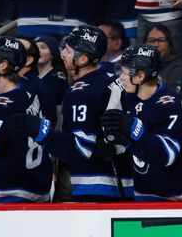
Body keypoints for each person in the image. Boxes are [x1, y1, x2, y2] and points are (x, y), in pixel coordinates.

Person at [9, 26, 130, 201]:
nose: (62, 54)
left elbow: (81, 148)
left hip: (97, 185)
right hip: (129, 181)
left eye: (68, 49)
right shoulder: (113, 72)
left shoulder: (80, 92)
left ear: (82, 58)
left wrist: (39, 131)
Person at [100, 44, 182, 201]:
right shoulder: (129, 97)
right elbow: (138, 144)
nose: (121, 78)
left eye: (124, 73)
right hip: (143, 194)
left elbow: (167, 154)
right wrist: (117, 146)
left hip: (178, 198)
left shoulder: (169, 103)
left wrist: (132, 129)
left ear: (140, 76)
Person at [35, 34, 68, 105]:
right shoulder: (28, 76)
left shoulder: (59, 80)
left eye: (43, 47)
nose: (37, 51)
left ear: (52, 54)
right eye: (35, 48)